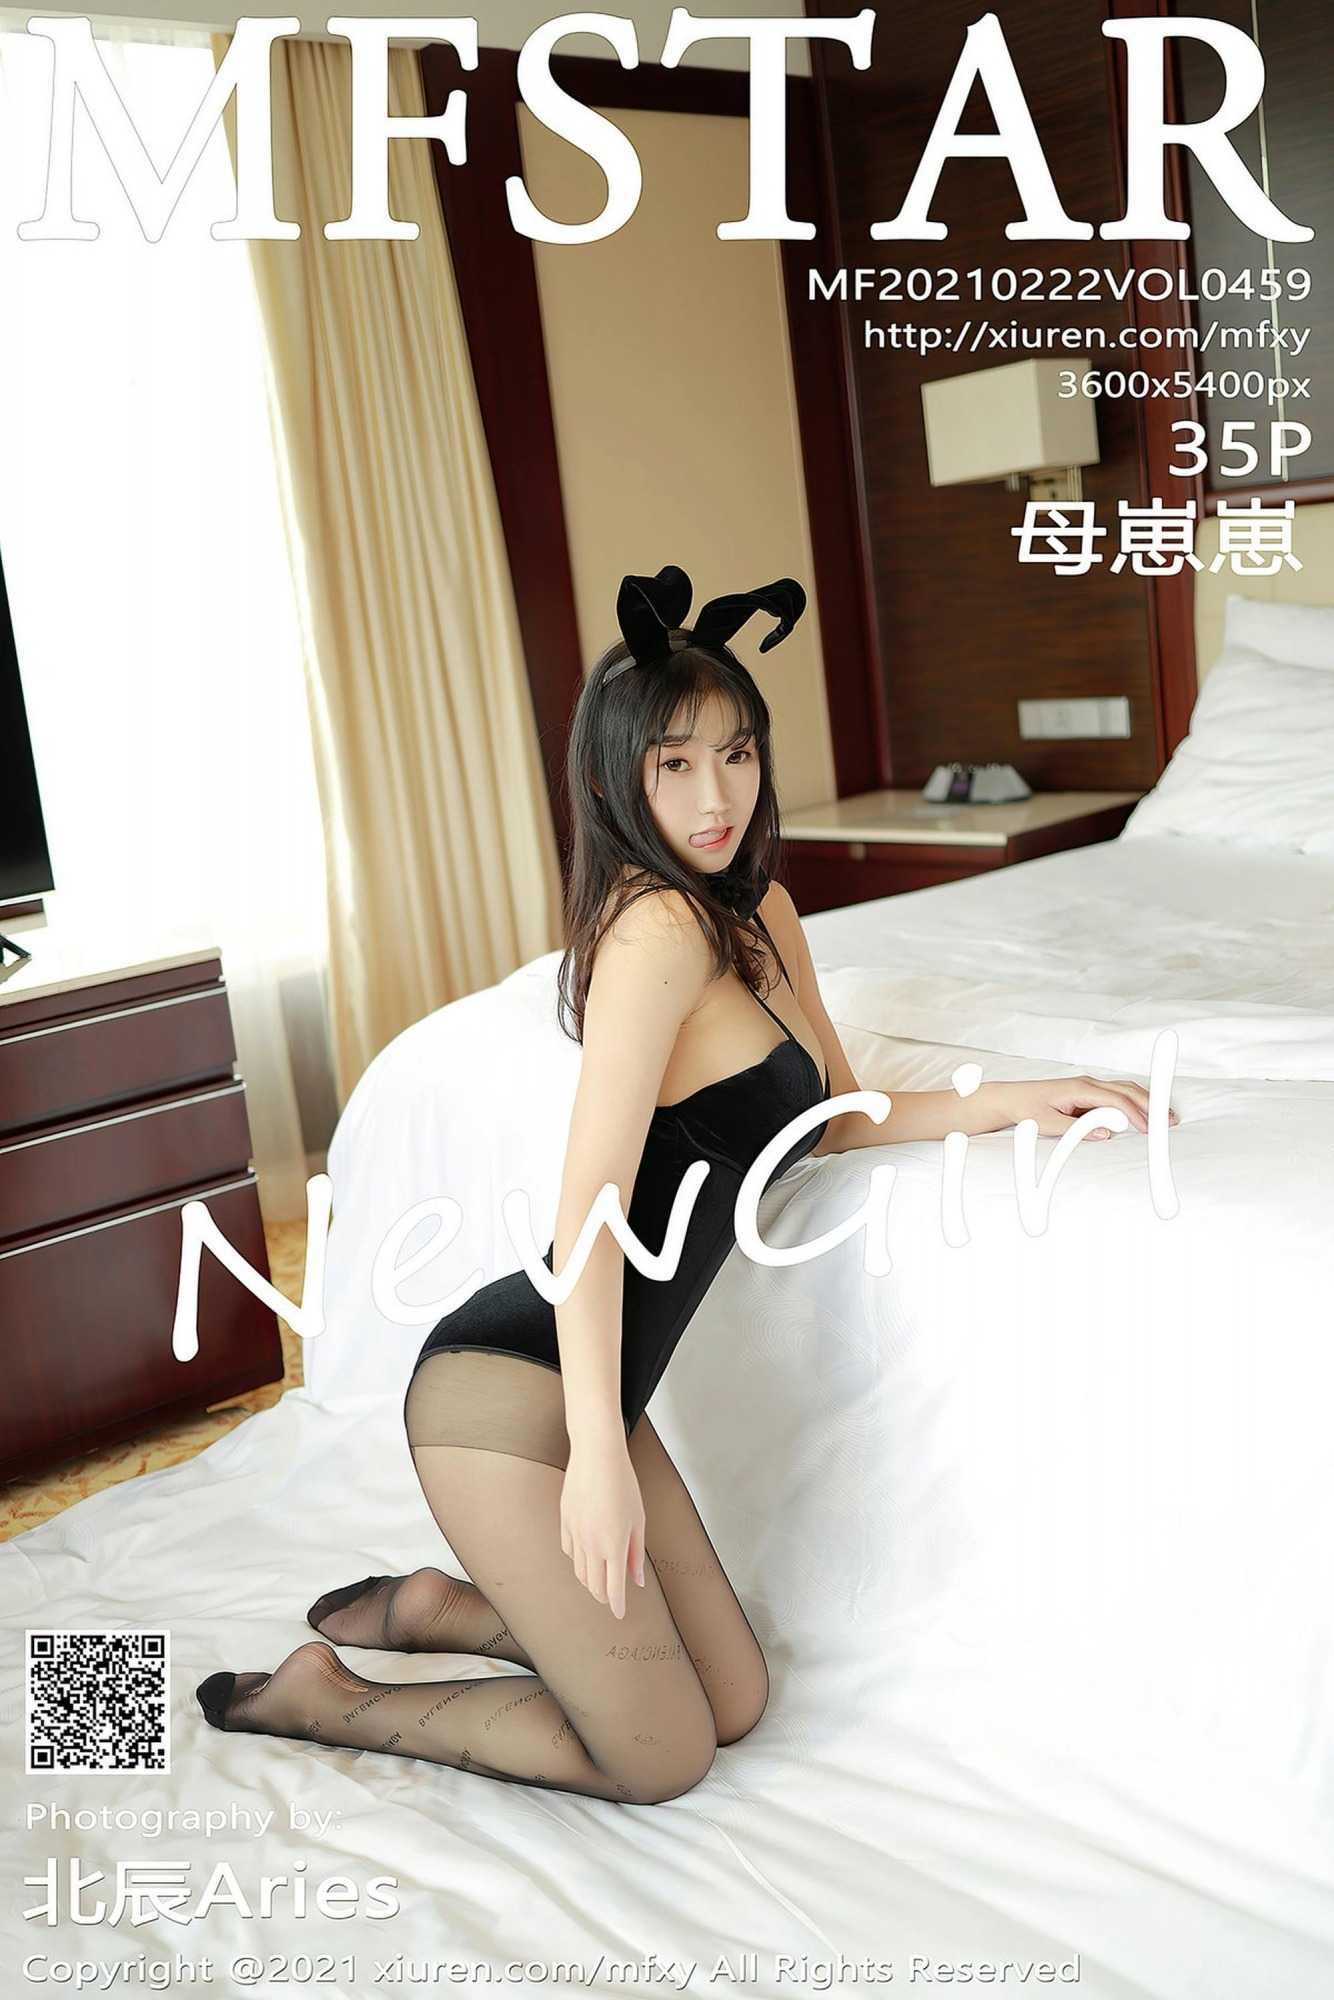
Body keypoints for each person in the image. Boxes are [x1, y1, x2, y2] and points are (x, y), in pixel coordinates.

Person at [197, 564, 1172, 1803]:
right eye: (674, 764)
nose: (716, 796)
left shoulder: (760, 909)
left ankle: (449, 1607)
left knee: (736, 1699)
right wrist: (596, 1457)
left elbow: (829, 1113)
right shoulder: (651, 931)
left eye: (736, 754)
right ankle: (329, 1696)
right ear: (617, 781)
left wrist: (1011, 1099)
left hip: (599, 1388)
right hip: (507, 1394)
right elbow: (589, 1213)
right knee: (661, 1754)